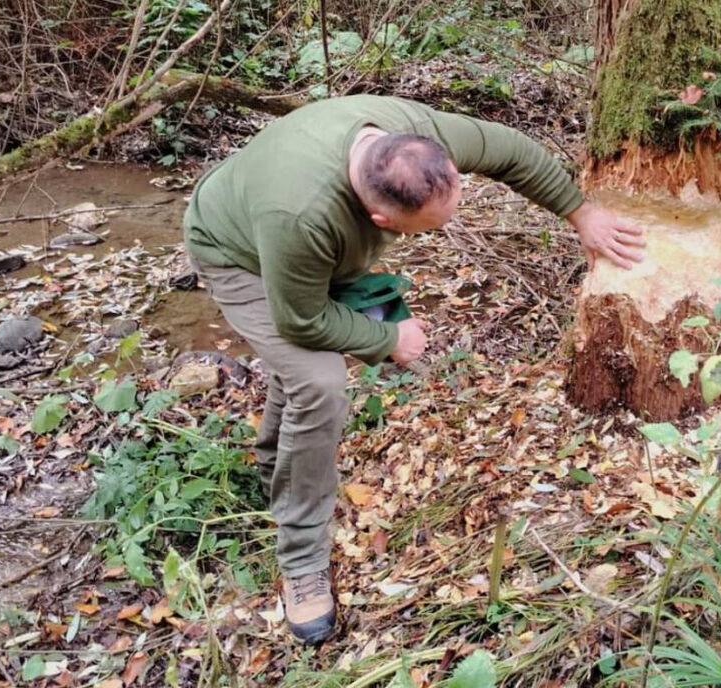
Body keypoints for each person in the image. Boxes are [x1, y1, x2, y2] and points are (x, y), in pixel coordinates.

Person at [183, 95, 645, 644]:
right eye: (416, 232)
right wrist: (387, 339)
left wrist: (581, 212)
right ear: (380, 219)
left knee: (305, 372)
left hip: (307, 248)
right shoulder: (302, 216)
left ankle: (274, 464)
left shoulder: (419, 135)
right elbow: (301, 320)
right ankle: (302, 560)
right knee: (318, 378)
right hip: (239, 254)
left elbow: (514, 151)